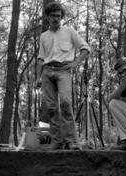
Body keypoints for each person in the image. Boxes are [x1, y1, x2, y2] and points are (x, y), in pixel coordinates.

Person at [35, 2, 90, 150]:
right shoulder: (44, 36)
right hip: (47, 71)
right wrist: (38, 78)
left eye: (58, 16)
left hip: (63, 71)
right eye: (53, 16)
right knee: (51, 107)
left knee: (66, 103)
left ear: (61, 17)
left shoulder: (69, 31)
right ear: (47, 17)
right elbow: (41, 58)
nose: (56, 19)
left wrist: (75, 63)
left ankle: (71, 141)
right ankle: (56, 141)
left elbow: (85, 48)